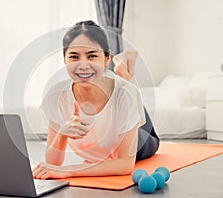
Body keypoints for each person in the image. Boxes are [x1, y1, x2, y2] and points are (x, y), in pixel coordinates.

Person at [33, 20, 159, 180]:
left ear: (107, 59)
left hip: (137, 138)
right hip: (99, 150)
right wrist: (62, 133)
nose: (83, 65)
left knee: (130, 97)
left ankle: (125, 77)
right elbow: (53, 162)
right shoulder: (55, 96)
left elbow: (125, 164)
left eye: (92, 56)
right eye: (74, 56)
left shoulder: (126, 94)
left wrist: (68, 171)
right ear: (64, 60)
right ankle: (124, 78)